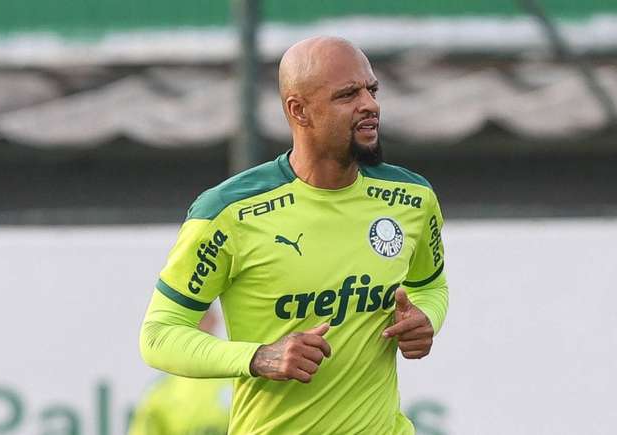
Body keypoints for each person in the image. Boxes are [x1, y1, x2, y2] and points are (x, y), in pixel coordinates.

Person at [139, 36, 449, 434]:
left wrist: (425, 319)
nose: (369, 105)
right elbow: (159, 334)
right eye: (347, 95)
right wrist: (259, 357)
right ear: (298, 110)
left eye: (372, 90)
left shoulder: (412, 198)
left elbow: (431, 286)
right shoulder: (227, 212)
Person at [130, 310, 231, 435]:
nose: (195, 325)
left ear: (214, 320)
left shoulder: (237, 382)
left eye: (201, 317)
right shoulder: (160, 392)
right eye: (187, 318)